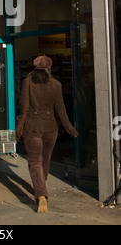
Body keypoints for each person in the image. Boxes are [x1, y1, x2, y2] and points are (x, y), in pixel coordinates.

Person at [16, 55, 79, 213]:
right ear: (49, 69)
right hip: (51, 128)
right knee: (45, 161)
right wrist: (70, 128)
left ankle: (41, 194)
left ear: (34, 68)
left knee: (35, 162)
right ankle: (41, 187)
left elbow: (24, 108)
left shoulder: (27, 83)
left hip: (32, 127)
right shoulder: (56, 85)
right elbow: (61, 109)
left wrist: (19, 128)